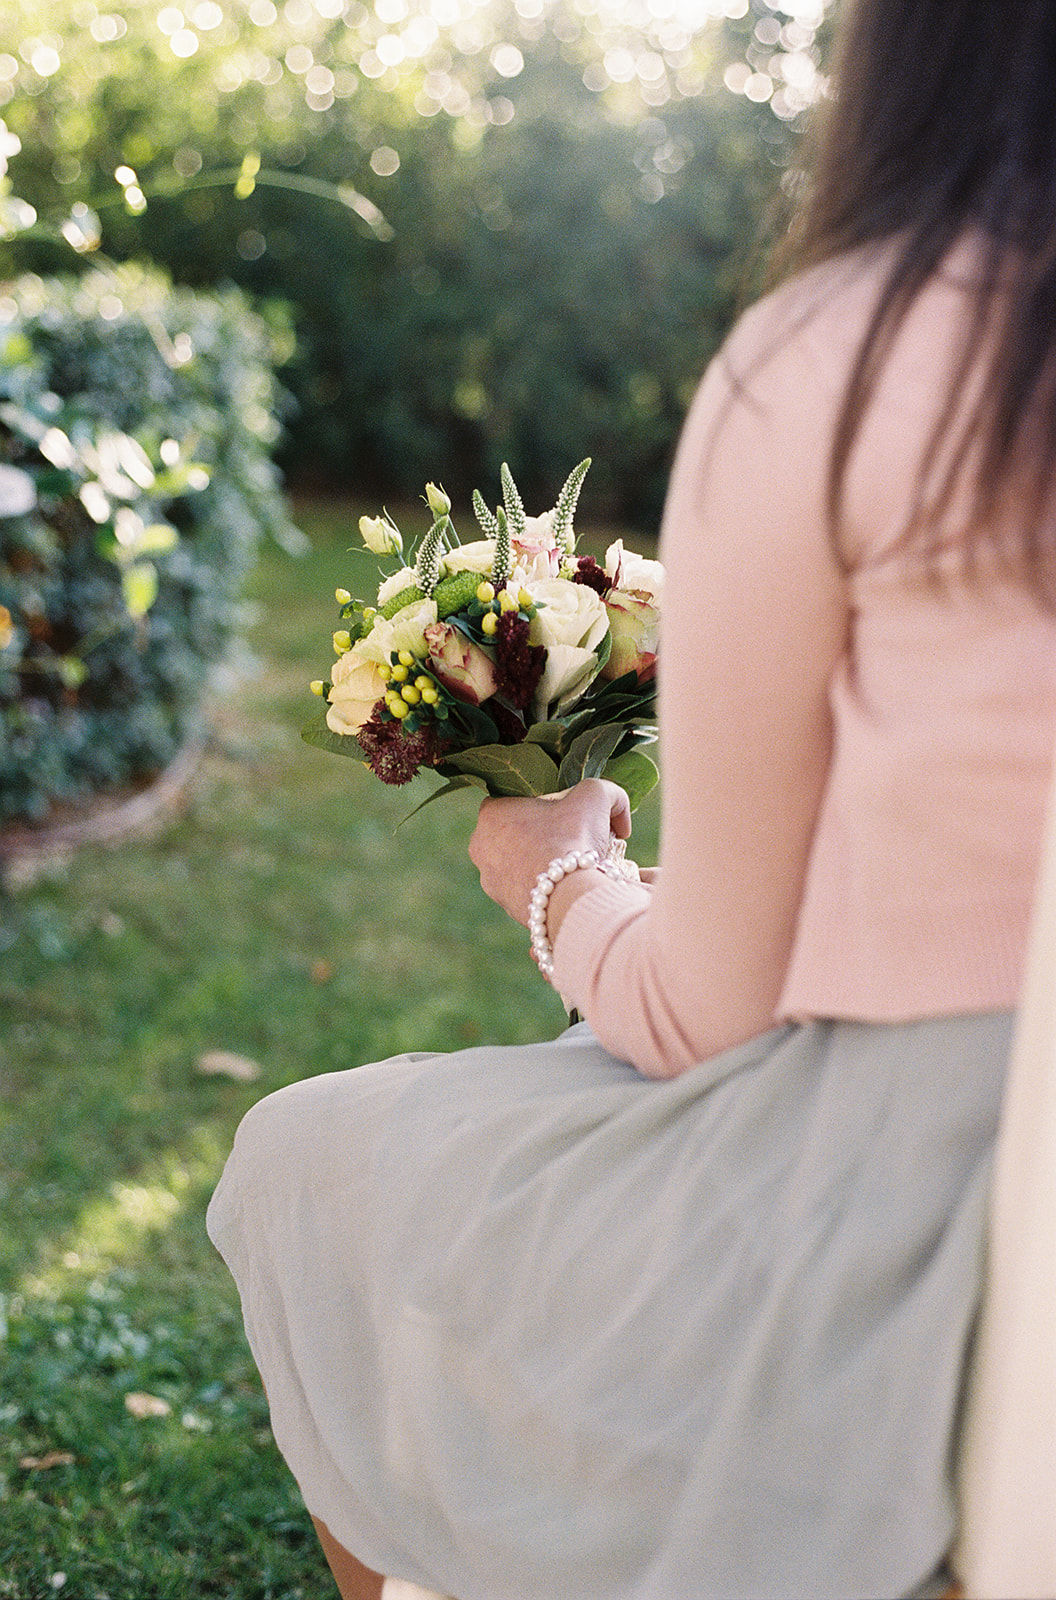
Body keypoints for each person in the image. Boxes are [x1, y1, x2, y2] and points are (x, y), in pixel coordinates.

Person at [206, 2, 1056, 1595]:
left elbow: (700, 1014)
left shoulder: (848, 365)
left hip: (935, 1192)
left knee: (311, 1155)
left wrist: (556, 872)